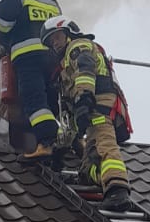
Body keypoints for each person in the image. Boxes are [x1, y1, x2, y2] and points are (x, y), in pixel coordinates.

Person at [40, 16, 132, 211]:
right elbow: (70, 120)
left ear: (68, 32)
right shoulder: (63, 69)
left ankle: (117, 189)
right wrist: (61, 148)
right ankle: (103, 179)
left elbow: (85, 69)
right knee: (87, 166)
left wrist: (83, 98)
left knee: (102, 142)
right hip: (90, 105)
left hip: (99, 101)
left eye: (56, 37)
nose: (53, 44)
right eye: (50, 42)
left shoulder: (78, 46)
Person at [0, 0, 62, 158]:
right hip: (52, 59)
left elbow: (3, 23)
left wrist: (6, 43)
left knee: (34, 99)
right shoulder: (52, 0)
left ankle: (46, 143)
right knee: (53, 101)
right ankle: (72, 140)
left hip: (27, 56)